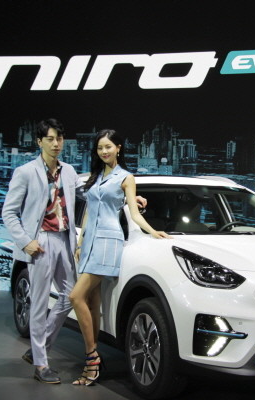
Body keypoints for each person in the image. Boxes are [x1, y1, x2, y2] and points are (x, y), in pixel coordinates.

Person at [68, 129, 171, 386]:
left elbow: (134, 214)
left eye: (108, 147)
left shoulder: (126, 177)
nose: (104, 151)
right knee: (92, 302)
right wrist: (80, 242)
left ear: (119, 148)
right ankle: (94, 358)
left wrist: (153, 231)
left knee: (75, 297)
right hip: (89, 242)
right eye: (100, 147)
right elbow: (89, 211)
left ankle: (92, 359)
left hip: (108, 241)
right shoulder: (96, 176)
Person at [2, 118, 82, 384]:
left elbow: (90, 196)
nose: (56, 143)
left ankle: (40, 349)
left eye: (59, 138)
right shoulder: (25, 172)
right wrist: (25, 241)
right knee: (38, 304)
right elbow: (9, 212)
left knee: (71, 296)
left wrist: (129, 196)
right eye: (50, 139)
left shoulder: (69, 171)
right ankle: (41, 365)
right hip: (41, 242)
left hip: (65, 239)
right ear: (39, 142)